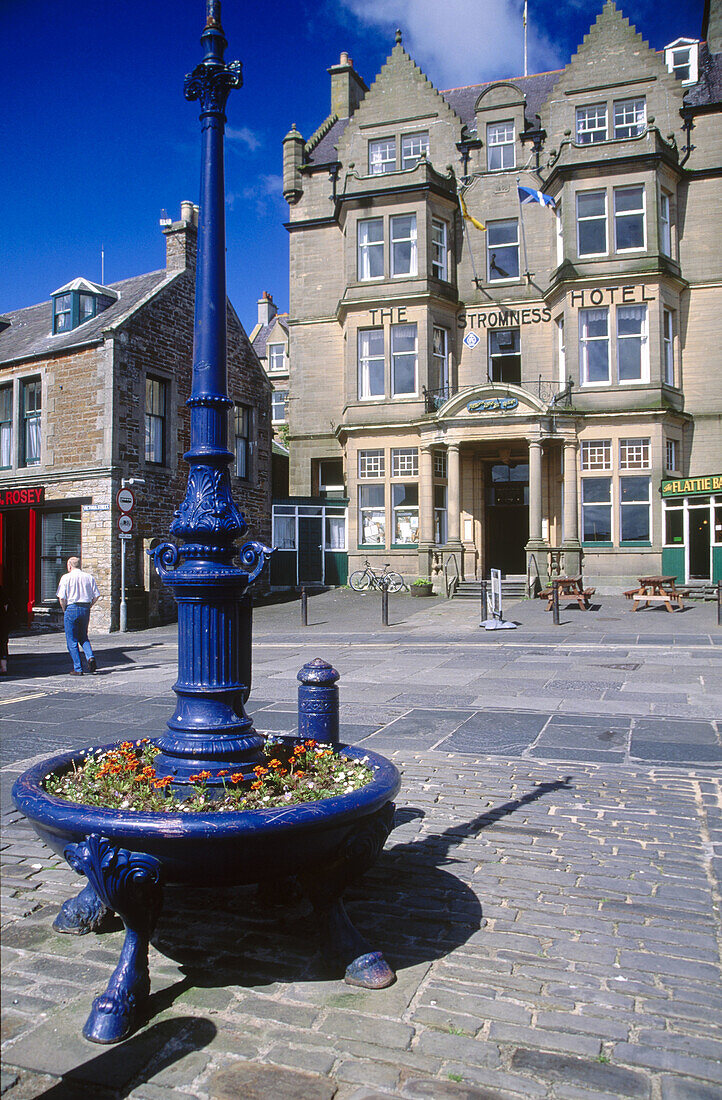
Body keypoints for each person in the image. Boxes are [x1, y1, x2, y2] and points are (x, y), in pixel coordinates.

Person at [57, 558, 100, 676]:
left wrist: (64, 609)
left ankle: (78, 668)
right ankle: (90, 657)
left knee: (72, 640)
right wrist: (89, 605)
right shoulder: (88, 577)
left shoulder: (66, 577)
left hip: (71, 607)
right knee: (83, 636)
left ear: (69, 565)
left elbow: (61, 598)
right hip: (85, 607)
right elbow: (96, 595)